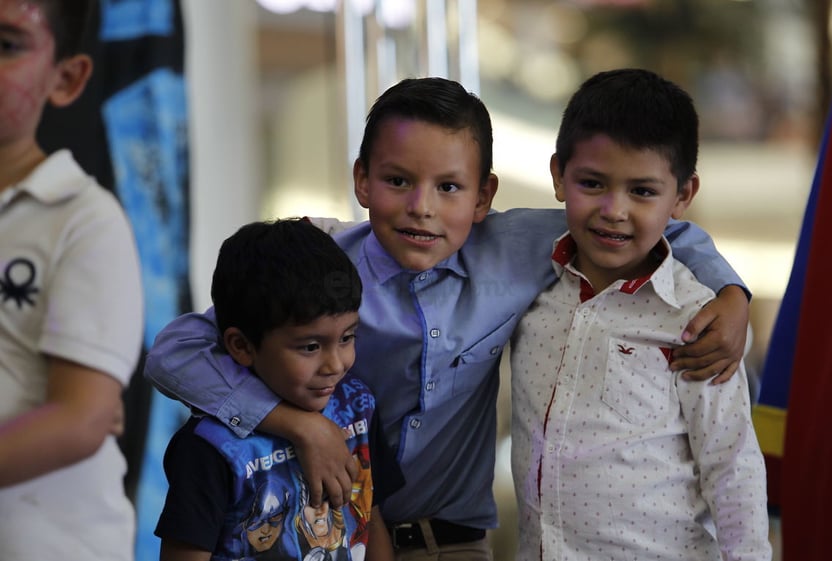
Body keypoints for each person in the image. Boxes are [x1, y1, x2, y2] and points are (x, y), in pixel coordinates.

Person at [145, 77, 751, 560]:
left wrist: (732, 292)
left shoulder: (519, 247)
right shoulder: (323, 267)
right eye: (398, 181)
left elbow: (657, 222)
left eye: (450, 188)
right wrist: (302, 426)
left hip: (456, 544)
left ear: (484, 196)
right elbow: (173, 351)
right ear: (361, 180)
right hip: (324, 536)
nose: (422, 208)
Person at [509, 68, 770, 560]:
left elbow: (732, 467)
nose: (614, 209)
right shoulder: (530, 292)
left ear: (683, 195)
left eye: (642, 192)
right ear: (558, 176)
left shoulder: (697, 321)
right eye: (592, 183)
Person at [154, 218, 399, 561]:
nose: (335, 364)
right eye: (310, 347)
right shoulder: (210, 447)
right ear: (241, 346)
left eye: (346, 338)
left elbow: (370, 521)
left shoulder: (358, 407)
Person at [0, 0, 143, 559]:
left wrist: (80, 410)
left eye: (7, 44)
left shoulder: (82, 217)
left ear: (66, 77)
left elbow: (80, 419)